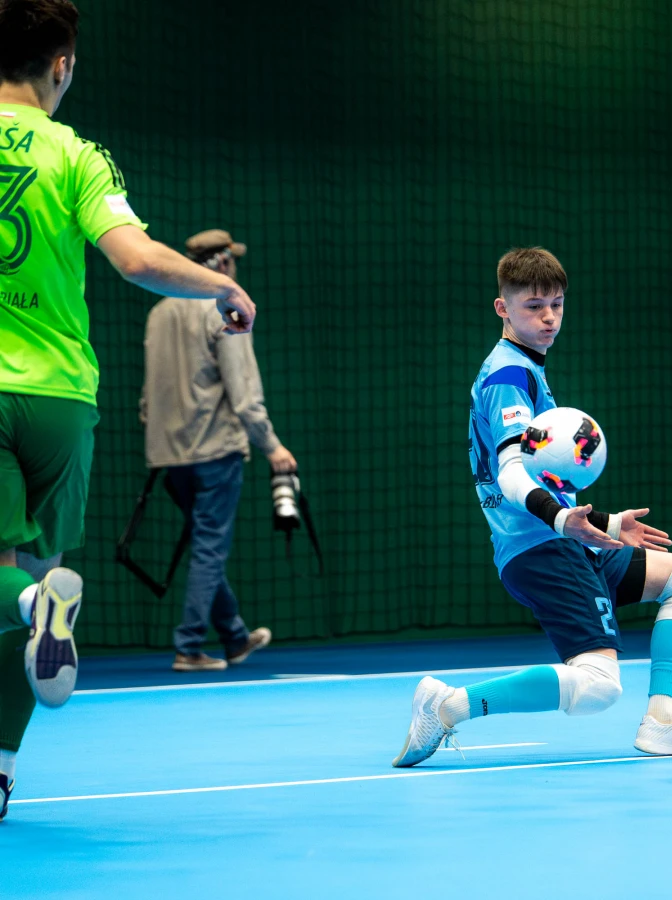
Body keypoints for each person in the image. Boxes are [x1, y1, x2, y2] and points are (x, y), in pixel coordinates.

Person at [0, 0, 255, 821]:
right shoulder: (78, 154)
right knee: (33, 576)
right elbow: (136, 259)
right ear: (62, 65)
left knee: (13, 592)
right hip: (62, 399)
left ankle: (34, 606)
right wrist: (221, 286)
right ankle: (1, 767)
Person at [391, 247, 672, 767]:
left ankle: (663, 722)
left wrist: (604, 522)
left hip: (562, 539)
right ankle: (448, 706)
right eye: (534, 306)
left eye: (557, 304)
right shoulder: (508, 377)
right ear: (503, 308)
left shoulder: (527, 369)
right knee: (598, 687)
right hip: (543, 548)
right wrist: (562, 521)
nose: (548, 317)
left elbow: (536, 477)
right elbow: (510, 473)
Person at [142, 230, 291, 671]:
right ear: (222, 263)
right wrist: (273, 447)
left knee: (205, 542)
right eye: (233, 261)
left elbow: (148, 398)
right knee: (209, 547)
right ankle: (189, 645)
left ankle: (234, 636)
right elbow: (244, 395)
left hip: (169, 456)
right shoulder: (226, 307)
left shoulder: (158, 312)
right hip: (215, 451)